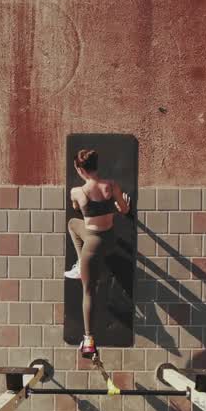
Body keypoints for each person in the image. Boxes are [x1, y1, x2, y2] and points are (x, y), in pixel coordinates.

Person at [65, 148, 129, 357]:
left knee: (88, 291)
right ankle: (81, 262)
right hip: (110, 239)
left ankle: (89, 339)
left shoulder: (78, 191)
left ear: (80, 168)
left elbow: (76, 208)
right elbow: (124, 209)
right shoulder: (111, 185)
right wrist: (120, 208)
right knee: (76, 224)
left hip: (93, 245)